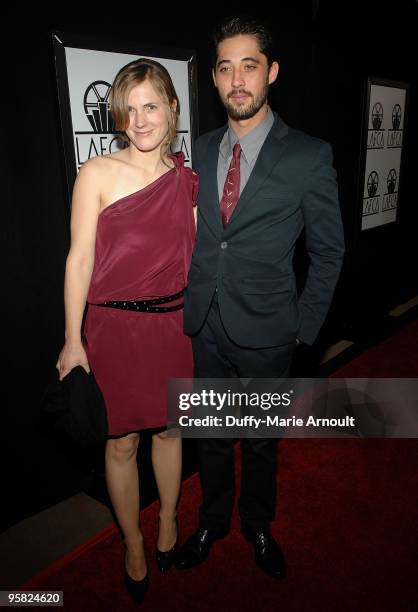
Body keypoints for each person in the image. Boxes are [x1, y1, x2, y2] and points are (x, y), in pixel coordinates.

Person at [175, 16, 345, 579]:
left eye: (249, 65)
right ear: (216, 80)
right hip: (204, 323)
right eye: (226, 67)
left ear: (271, 72)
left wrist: (303, 327)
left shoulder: (308, 156)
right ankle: (212, 520)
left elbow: (329, 252)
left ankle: (258, 524)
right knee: (212, 436)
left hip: (271, 329)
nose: (237, 79)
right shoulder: (198, 151)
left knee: (261, 440)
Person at [56, 58, 198, 603]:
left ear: (172, 109)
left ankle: (167, 520)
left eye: (151, 106)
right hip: (114, 332)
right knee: (120, 443)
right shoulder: (96, 174)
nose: (140, 120)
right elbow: (79, 260)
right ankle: (133, 541)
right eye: (130, 109)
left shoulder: (186, 180)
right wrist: (73, 339)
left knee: (169, 431)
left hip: (172, 328)